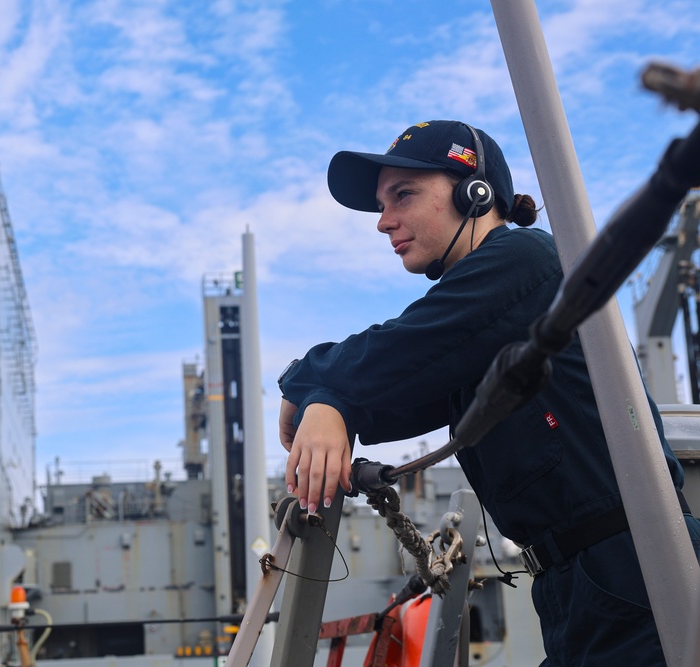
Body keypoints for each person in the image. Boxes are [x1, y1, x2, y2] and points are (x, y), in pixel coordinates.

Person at [277, 119, 700, 666]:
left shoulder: (525, 261)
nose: (383, 222)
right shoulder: (478, 332)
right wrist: (327, 403)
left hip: (637, 576)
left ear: (474, 193)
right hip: (577, 592)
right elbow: (391, 389)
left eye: (402, 195)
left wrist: (307, 380)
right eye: (382, 205)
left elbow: (395, 352)